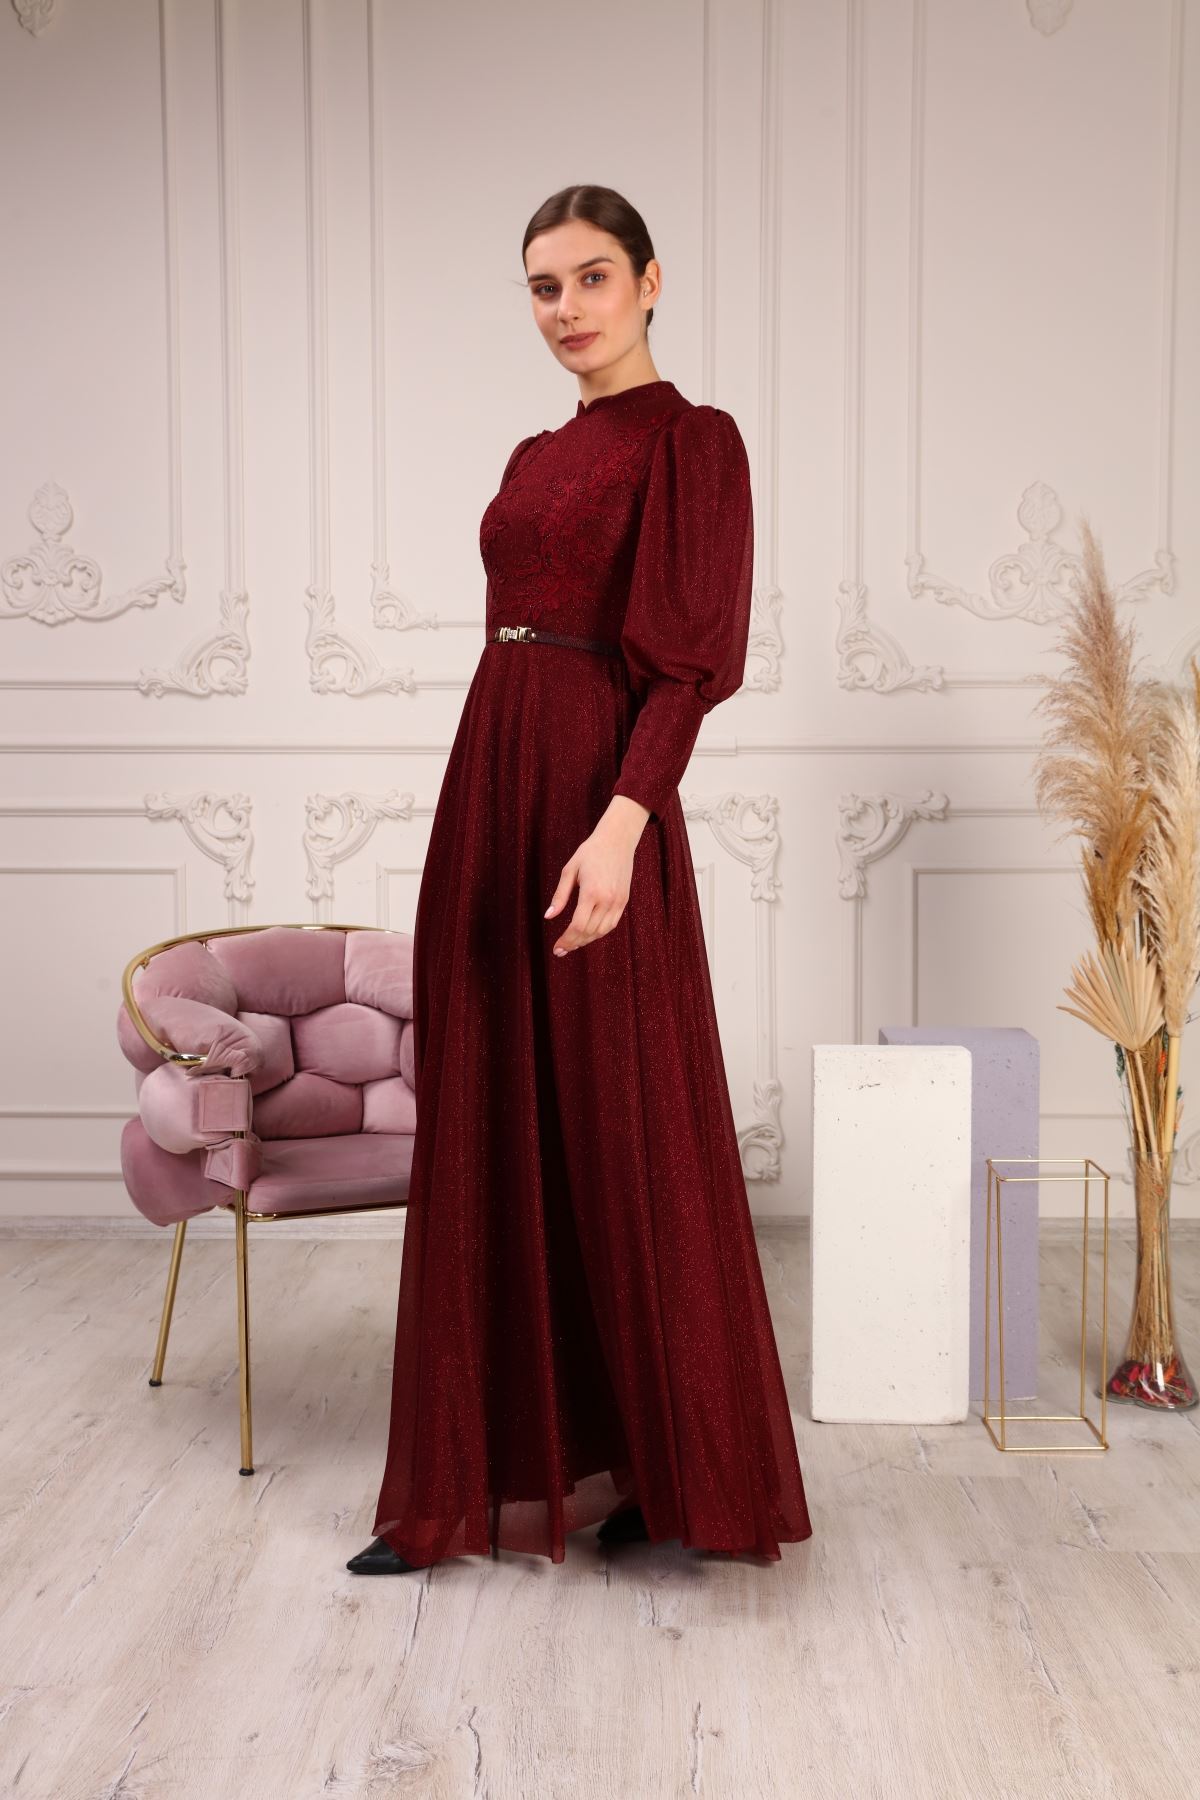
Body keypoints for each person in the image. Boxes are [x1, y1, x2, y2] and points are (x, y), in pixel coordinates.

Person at [347, 184, 813, 1574]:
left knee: (627, 1120)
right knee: (494, 1112)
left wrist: (621, 826)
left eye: (593, 278)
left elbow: (690, 664)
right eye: (544, 287)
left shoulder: (693, 443)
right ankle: (481, 1478)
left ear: (651, 282)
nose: (567, 309)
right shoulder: (534, 451)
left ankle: (680, 1478)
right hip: (492, 780)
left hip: (598, 790)